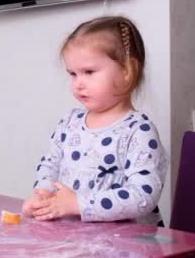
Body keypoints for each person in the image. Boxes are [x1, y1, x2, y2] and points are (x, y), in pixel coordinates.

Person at [21, 16, 168, 224]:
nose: (78, 84)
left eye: (88, 72)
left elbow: (143, 196)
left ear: (127, 72)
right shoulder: (69, 123)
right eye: (73, 74)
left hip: (128, 245)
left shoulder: (138, 131)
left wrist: (79, 204)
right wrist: (42, 195)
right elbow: (50, 164)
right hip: (77, 240)